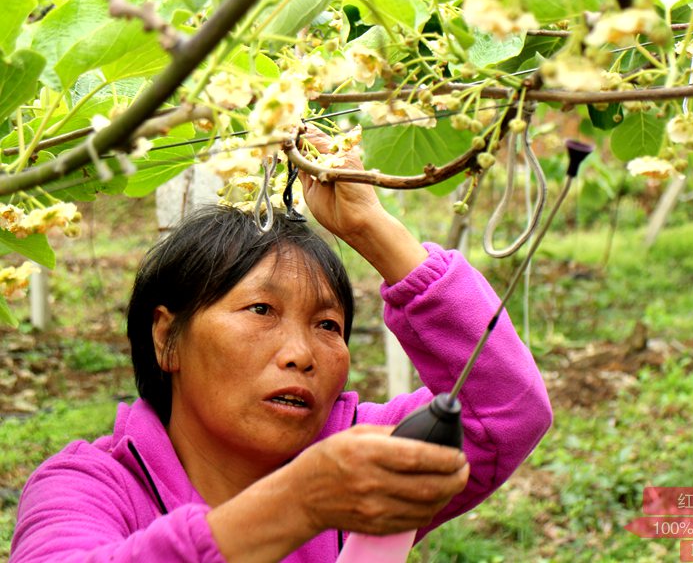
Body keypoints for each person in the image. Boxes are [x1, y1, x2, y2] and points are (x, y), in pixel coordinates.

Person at [10, 130, 553, 562]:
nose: (301, 353)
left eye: (328, 325)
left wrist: (370, 227)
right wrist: (302, 502)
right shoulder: (87, 486)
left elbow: (504, 413)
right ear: (166, 336)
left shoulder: (355, 458)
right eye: (261, 310)